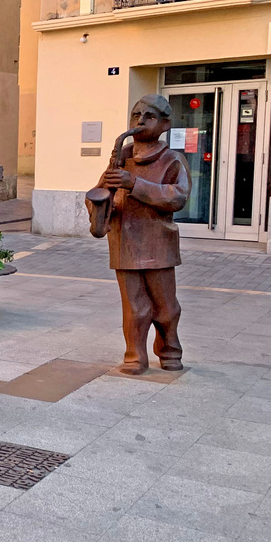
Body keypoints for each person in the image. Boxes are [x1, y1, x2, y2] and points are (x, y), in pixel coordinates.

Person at [86, 94, 189, 374]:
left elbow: (176, 197)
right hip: (124, 241)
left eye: (149, 116)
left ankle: (169, 349)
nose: (140, 121)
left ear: (165, 124)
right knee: (134, 306)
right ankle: (135, 355)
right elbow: (100, 191)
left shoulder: (172, 160)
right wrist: (101, 200)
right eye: (136, 115)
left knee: (166, 306)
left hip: (158, 242)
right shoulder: (122, 157)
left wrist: (134, 183)